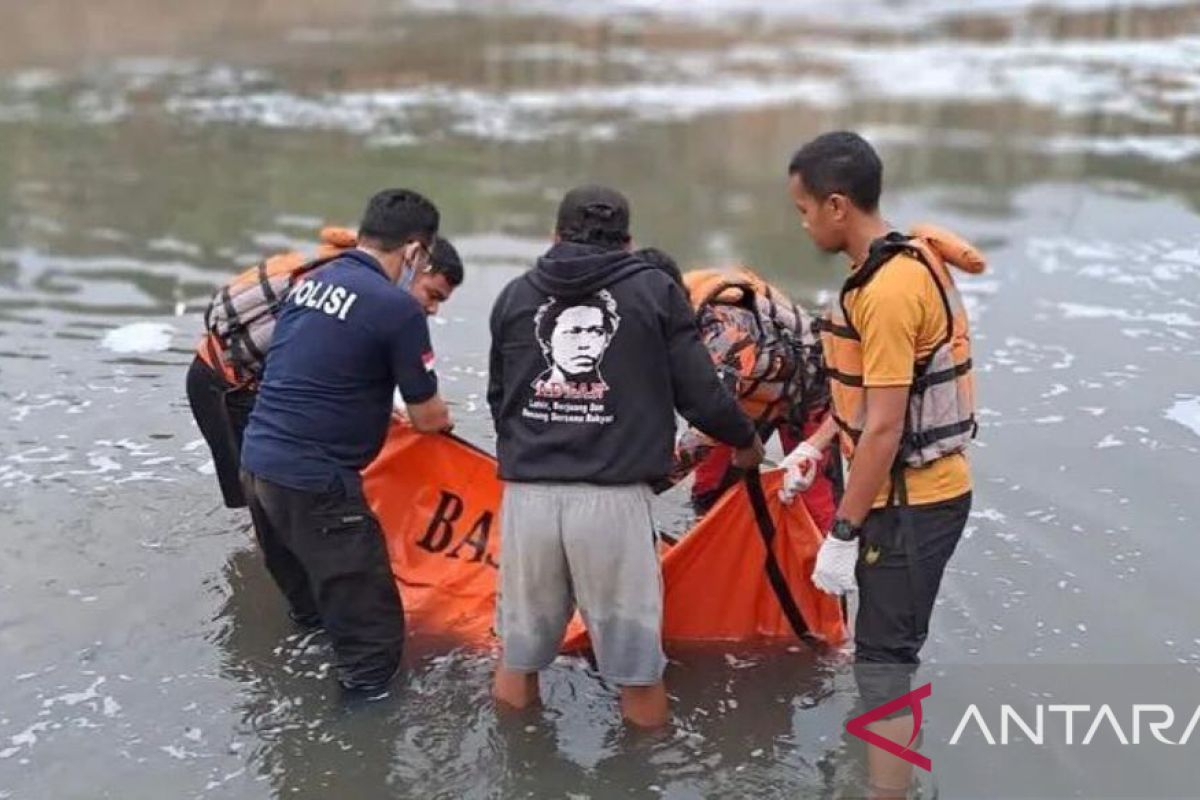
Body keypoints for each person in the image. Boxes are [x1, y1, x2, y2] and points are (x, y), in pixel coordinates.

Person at [487, 185, 764, 727]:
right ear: (627, 243)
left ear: (555, 235)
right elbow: (703, 397)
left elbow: (502, 400)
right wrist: (747, 442)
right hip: (613, 504)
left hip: (528, 500)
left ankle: (517, 768)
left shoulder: (516, 295)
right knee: (638, 671)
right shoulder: (655, 291)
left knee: (518, 658)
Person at [785, 132, 980, 797]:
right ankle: (887, 772)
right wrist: (815, 446)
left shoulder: (889, 290)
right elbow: (872, 393)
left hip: (913, 502)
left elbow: (888, 427)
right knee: (883, 654)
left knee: (884, 662)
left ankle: (886, 790)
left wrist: (841, 533)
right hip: (903, 496)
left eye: (805, 209)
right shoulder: (892, 264)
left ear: (837, 205)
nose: (804, 222)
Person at [238, 188, 457, 694]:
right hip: (316, 483)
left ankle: (291, 727)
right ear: (416, 252)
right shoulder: (396, 308)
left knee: (313, 616)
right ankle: (352, 761)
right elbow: (427, 417)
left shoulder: (312, 282)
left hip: (258, 467)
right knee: (373, 647)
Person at [186, 229, 464, 509]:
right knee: (261, 503)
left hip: (247, 380)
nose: (433, 308)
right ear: (412, 263)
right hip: (223, 386)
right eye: (432, 294)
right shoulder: (353, 293)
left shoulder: (355, 277)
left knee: (275, 502)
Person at [638, 246, 838, 529]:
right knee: (709, 493)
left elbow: (706, 428)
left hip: (809, 393)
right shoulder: (654, 314)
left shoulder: (725, 331)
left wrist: (640, 488)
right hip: (746, 396)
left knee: (818, 510)